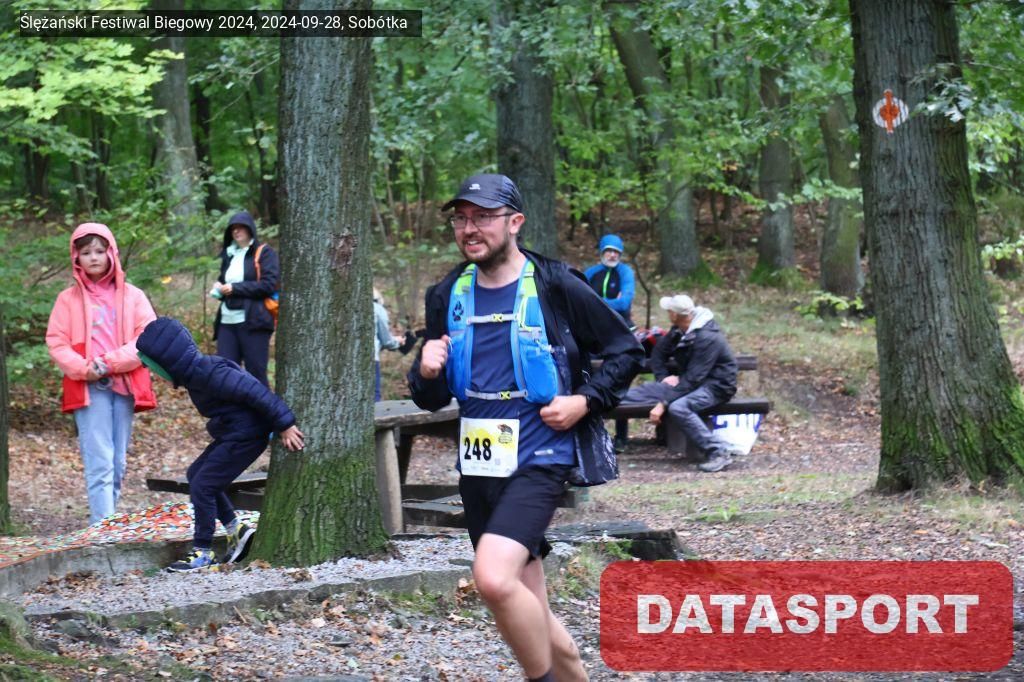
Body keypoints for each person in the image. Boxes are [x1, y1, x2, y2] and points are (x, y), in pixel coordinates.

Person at [408, 174, 643, 682]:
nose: (470, 228)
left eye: (483, 217)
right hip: (479, 461)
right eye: (461, 219)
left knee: (494, 580)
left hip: (541, 454)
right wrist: (425, 370)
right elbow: (431, 398)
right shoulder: (447, 293)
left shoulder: (556, 284)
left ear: (515, 222)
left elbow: (627, 351)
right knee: (528, 601)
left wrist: (584, 401)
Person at [136, 317, 305, 572]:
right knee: (196, 475)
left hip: (247, 436)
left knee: (203, 484)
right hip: (234, 435)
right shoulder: (195, 377)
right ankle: (237, 530)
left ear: (170, 364)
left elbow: (255, 391)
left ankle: (203, 551)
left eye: (156, 370)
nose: (156, 376)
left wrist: (285, 423)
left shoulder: (211, 372)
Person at [46, 223, 158, 525]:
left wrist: (109, 363)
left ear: (112, 253)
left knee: (117, 463)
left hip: (124, 385)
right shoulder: (66, 300)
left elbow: (147, 338)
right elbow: (57, 342)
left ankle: (107, 526)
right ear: (76, 258)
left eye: (99, 250)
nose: (93, 257)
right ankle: (102, 532)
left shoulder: (133, 296)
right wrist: (86, 369)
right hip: (88, 389)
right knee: (100, 462)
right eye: (86, 252)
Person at [616, 294, 739, 473]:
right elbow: (658, 354)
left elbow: (694, 378)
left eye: (669, 311)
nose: (667, 313)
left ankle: (718, 451)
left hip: (717, 387)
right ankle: (592, 404)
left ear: (674, 314)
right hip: (689, 383)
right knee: (629, 396)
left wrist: (663, 404)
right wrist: (663, 378)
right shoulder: (679, 331)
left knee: (679, 407)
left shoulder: (707, 337)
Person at [211, 210, 279, 387]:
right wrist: (219, 287)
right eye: (233, 228)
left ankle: (262, 406)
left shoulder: (264, 253)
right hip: (227, 322)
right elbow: (224, 280)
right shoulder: (229, 254)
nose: (236, 231)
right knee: (225, 373)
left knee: (256, 374)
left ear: (250, 229)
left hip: (254, 322)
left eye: (241, 227)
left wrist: (235, 288)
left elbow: (268, 285)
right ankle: (232, 406)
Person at [583, 234, 635, 326]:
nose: (612, 255)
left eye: (616, 251)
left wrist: (593, 302)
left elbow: (623, 304)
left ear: (620, 254)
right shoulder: (590, 272)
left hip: (621, 324)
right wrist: (614, 302)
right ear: (602, 252)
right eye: (609, 251)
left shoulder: (626, 272)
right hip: (594, 324)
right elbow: (580, 299)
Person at [373, 289, 402, 402]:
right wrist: (397, 342)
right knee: (374, 397)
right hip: (371, 359)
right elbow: (386, 340)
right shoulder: (377, 308)